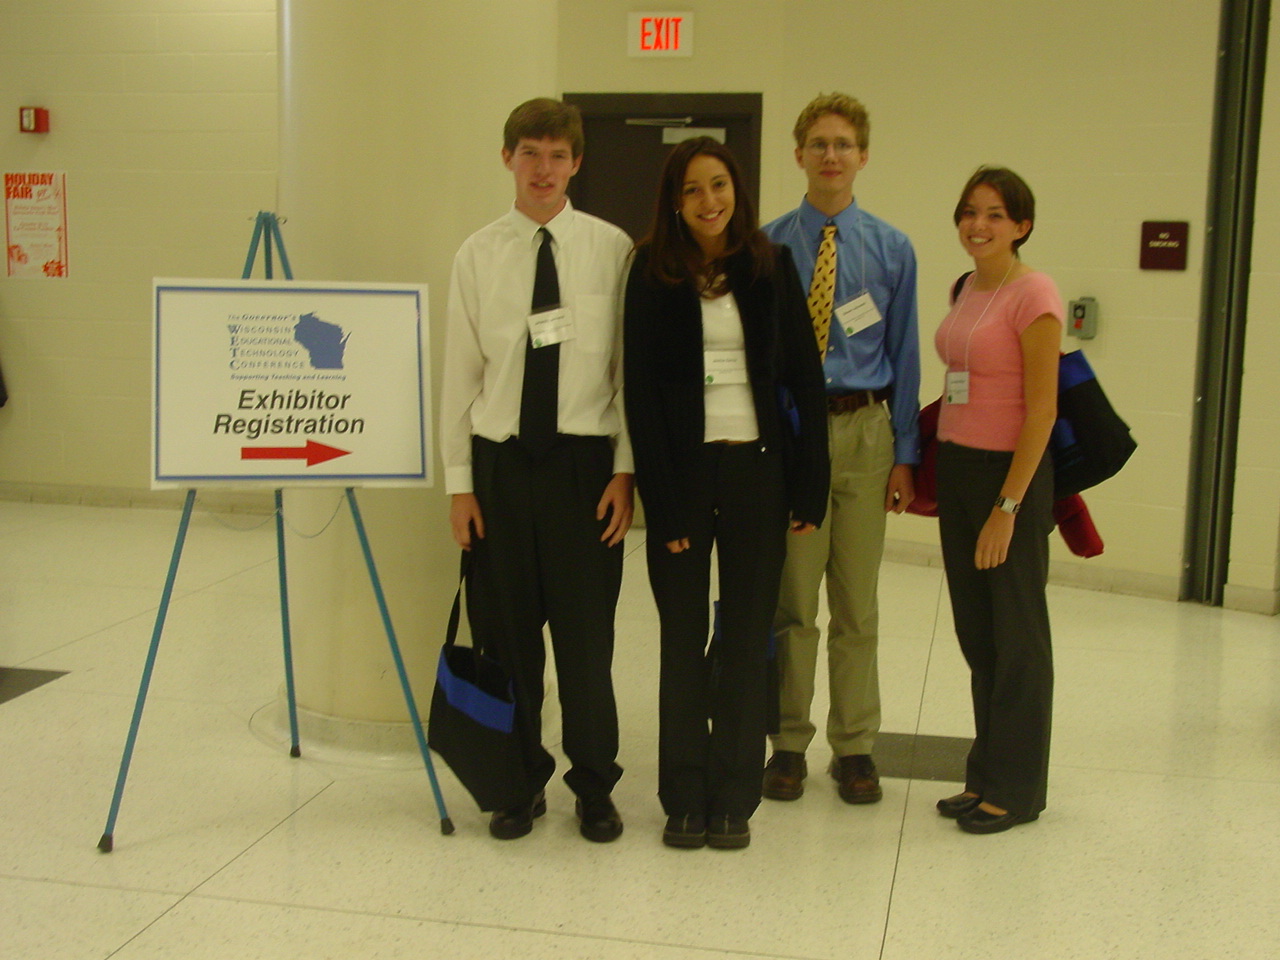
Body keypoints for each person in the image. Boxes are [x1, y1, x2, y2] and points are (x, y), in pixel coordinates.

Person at [623, 137, 829, 850]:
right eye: (692, 191)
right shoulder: (650, 274)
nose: (709, 202)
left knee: (744, 638)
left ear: (736, 190)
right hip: (683, 478)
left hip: (757, 474)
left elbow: (804, 376)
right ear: (674, 203)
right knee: (683, 639)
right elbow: (643, 401)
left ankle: (735, 795)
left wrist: (812, 485)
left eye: (719, 186)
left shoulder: (770, 265)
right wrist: (665, 503)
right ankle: (683, 794)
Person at [439, 97, 634, 843]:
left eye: (558, 155)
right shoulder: (477, 255)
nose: (544, 169)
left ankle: (594, 786)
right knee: (508, 640)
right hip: (502, 469)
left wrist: (625, 472)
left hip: (586, 471)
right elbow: (460, 378)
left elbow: (624, 375)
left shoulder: (612, 250)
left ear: (577, 162)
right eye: (530, 153)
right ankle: (517, 781)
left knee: (588, 643)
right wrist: (461, 486)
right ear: (508, 159)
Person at [760, 93, 920, 805]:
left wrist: (906, 455)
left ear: (863, 155)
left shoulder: (892, 248)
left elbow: (907, 353)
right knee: (793, 602)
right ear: (798, 155)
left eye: (844, 143)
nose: (831, 155)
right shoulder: (765, 247)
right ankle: (788, 741)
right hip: (794, 433)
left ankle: (855, 746)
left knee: (858, 604)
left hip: (865, 433)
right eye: (818, 143)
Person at [933, 166, 1061, 834]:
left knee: (1017, 638)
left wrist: (1007, 509)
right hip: (957, 472)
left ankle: (1017, 789)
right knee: (978, 635)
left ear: (1021, 225)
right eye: (969, 212)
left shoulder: (1033, 293)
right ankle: (984, 775)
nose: (978, 225)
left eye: (994, 215)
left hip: (1008, 479)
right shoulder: (965, 287)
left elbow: (1041, 411)